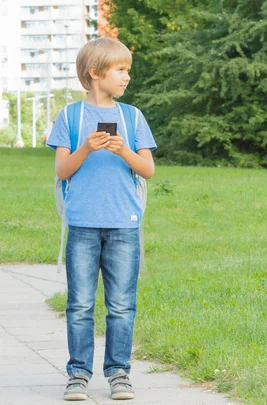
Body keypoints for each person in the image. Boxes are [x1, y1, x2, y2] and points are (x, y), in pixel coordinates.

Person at [46, 38, 156, 401]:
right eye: (120, 70)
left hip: (124, 224)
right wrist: (86, 148)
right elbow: (62, 171)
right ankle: (78, 374)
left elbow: (148, 170)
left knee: (122, 304)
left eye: (127, 69)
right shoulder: (70, 116)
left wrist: (123, 148)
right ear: (95, 73)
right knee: (79, 304)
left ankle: (119, 373)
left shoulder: (133, 116)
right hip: (82, 223)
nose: (127, 76)